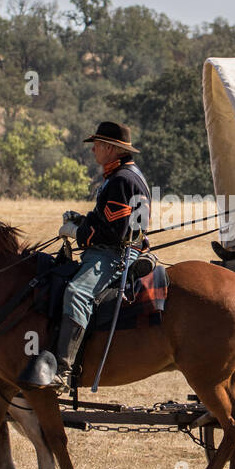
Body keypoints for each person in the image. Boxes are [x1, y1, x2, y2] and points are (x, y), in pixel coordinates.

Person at [47, 121, 151, 394]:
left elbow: (114, 233)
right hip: (118, 248)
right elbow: (108, 220)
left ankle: (62, 369)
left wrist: (79, 232)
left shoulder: (120, 180)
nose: (93, 149)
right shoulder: (124, 175)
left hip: (113, 254)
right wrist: (82, 220)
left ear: (110, 148)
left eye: (97, 145)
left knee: (76, 293)